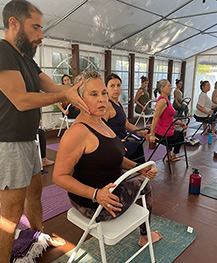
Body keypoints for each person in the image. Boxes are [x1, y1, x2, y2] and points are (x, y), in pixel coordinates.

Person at [0, 1, 89, 261]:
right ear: (14, 23)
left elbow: (53, 88)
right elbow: (21, 99)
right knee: (10, 213)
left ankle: (36, 235)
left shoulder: (26, 59)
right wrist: (63, 95)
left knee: (34, 194)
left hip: (28, 139)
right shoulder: (0, 51)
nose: (41, 35)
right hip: (6, 142)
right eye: (36, 27)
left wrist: (82, 93)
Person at [52, 71, 162, 247]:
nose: (102, 99)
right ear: (79, 99)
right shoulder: (77, 132)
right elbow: (58, 176)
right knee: (145, 185)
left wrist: (139, 167)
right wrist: (96, 194)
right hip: (93, 204)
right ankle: (145, 236)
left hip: (108, 192)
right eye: (93, 94)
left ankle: (144, 234)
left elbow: (116, 157)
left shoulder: (101, 122)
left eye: (103, 93)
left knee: (142, 179)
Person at [103, 73, 148, 163]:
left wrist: (142, 132)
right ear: (106, 88)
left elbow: (126, 124)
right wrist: (115, 141)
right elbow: (101, 128)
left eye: (118, 85)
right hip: (115, 145)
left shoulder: (119, 104)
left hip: (124, 140)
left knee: (137, 146)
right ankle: (141, 172)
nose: (116, 89)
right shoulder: (107, 105)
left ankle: (139, 172)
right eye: (112, 86)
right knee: (137, 146)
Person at [149, 79, 188, 162]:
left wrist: (180, 123)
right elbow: (155, 117)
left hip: (166, 131)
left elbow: (169, 118)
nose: (171, 88)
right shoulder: (162, 101)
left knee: (177, 132)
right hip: (163, 134)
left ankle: (169, 156)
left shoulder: (166, 100)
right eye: (169, 86)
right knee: (180, 135)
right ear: (162, 88)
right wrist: (152, 134)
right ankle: (172, 156)